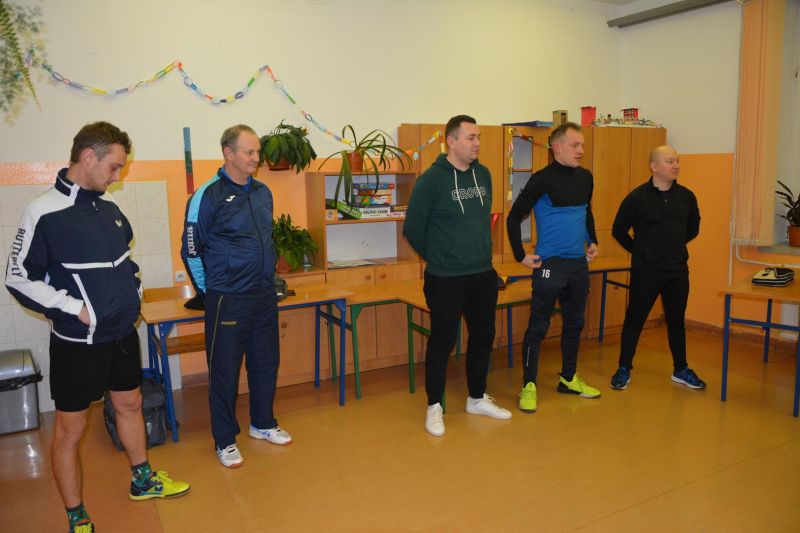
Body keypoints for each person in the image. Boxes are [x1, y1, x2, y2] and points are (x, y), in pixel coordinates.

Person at [5, 122, 189, 533]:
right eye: (114, 166)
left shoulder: (108, 209)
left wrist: (134, 293)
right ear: (88, 157)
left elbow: (126, 262)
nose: (118, 176)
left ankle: (143, 480)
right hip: (77, 342)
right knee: (71, 429)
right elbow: (18, 278)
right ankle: (76, 515)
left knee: (131, 404)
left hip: (121, 334)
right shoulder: (42, 212)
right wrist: (77, 309)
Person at [181, 124, 291, 468]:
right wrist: (209, 290)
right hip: (227, 297)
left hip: (263, 295)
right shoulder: (207, 195)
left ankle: (263, 423)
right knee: (225, 372)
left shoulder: (262, 192)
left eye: (258, 151)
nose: (257, 158)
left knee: (265, 363)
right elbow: (191, 250)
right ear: (229, 153)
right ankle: (225, 439)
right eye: (249, 152)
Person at [403, 114, 512, 437]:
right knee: (442, 341)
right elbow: (413, 228)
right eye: (470, 138)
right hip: (446, 276)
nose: (477, 143)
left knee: (483, 336)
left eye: (478, 137)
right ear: (451, 141)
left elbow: (481, 221)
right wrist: (440, 256)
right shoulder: (431, 180)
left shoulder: (484, 174)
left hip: (482, 273)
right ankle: (434, 406)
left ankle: (477, 398)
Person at [506, 122, 602, 413]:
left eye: (582, 145)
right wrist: (521, 255)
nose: (581, 150)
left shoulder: (585, 177)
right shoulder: (542, 180)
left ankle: (569, 378)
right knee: (539, 325)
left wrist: (592, 241)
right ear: (557, 147)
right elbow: (514, 217)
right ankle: (528, 385)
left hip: (577, 264)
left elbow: (586, 212)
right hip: (550, 264)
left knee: (575, 323)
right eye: (575, 145)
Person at [609, 145, 705, 390]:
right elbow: (618, 230)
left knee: (676, 321)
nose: (676, 165)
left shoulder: (686, 197)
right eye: (670, 161)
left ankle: (681, 369)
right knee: (635, 320)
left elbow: (693, 228)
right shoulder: (636, 197)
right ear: (654, 166)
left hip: (677, 271)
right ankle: (623, 368)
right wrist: (640, 251)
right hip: (646, 271)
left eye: (677, 161)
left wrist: (672, 247)